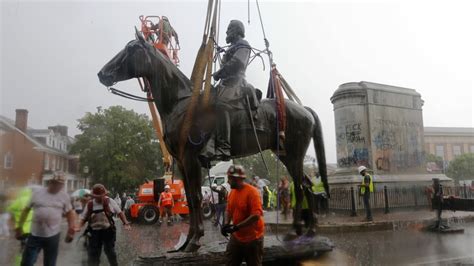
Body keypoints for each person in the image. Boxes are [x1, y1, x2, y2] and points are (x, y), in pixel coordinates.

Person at [200, 20, 254, 163]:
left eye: (229, 29)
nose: (226, 32)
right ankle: (209, 142)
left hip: (236, 82)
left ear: (237, 31)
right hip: (225, 83)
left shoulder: (243, 45)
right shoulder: (231, 47)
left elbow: (237, 63)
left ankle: (224, 147)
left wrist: (219, 73)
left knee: (222, 104)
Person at [16, 173, 76, 266]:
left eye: (61, 184)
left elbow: (70, 213)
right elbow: (26, 210)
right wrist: (19, 227)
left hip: (53, 236)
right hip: (35, 234)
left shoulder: (64, 196)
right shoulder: (37, 193)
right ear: (50, 182)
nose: (58, 186)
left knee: (50, 263)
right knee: (26, 262)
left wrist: (71, 230)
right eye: (56, 183)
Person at [77, 184, 131, 266]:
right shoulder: (90, 204)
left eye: (101, 195)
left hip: (108, 231)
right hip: (94, 232)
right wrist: (78, 226)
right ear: (93, 195)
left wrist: (126, 223)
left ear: (104, 194)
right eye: (97, 196)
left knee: (110, 252)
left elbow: (120, 213)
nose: (99, 197)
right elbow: (84, 218)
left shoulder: (110, 201)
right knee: (93, 254)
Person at [222, 165, 264, 266]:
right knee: (230, 262)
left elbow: (256, 215)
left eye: (230, 179)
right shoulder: (232, 193)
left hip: (253, 238)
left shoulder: (252, 192)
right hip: (236, 238)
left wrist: (236, 227)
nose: (228, 181)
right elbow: (228, 210)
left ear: (238, 179)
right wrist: (226, 224)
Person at [7, 187, 35, 266]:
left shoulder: (18, 200)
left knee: (23, 248)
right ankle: (27, 262)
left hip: (20, 229)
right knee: (30, 249)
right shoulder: (32, 201)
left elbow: (9, 208)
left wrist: (17, 213)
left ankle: (18, 263)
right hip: (31, 229)